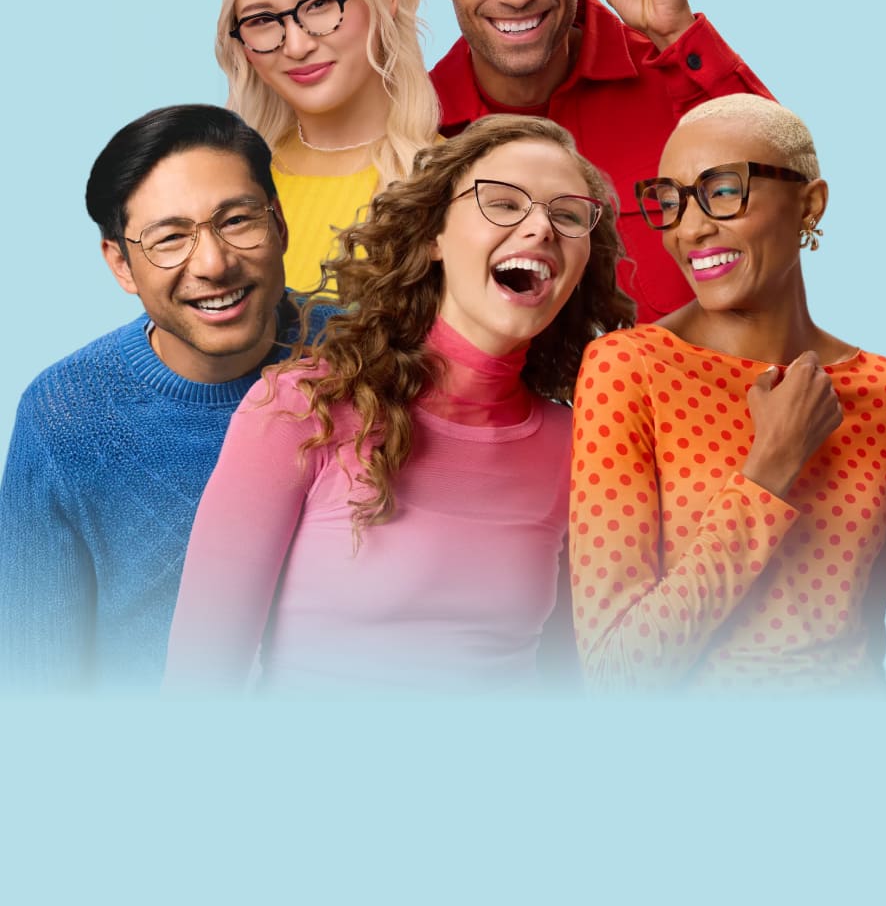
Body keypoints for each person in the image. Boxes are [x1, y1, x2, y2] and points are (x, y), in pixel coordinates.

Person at [165, 115, 635, 693]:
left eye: (566, 215)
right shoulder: (302, 409)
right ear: (435, 235)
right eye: (506, 204)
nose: (540, 228)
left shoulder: (577, 444)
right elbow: (198, 681)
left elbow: (579, 679)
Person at [569, 94, 886, 692]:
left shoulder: (885, 393)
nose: (690, 227)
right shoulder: (629, 368)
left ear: (810, 204)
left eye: (723, 191)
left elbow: (863, 640)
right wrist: (770, 467)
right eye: (670, 201)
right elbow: (616, 675)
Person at [0, 104, 310, 690]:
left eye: (238, 221)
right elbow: (35, 685)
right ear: (121, 263)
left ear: (280, 224)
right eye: (169, 238)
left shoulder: (371, 357)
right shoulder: (63, 415)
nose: (214, 264)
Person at [430, 0, 775, 322]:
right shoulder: (418, 126)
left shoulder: (674, 76)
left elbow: (786, 203)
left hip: (691, 393)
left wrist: (675, 30)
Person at [217, 0, 439, 294]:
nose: (296, 45)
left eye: (319, 4)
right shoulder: (227, 189)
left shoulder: (454, 186)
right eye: (262, 19)